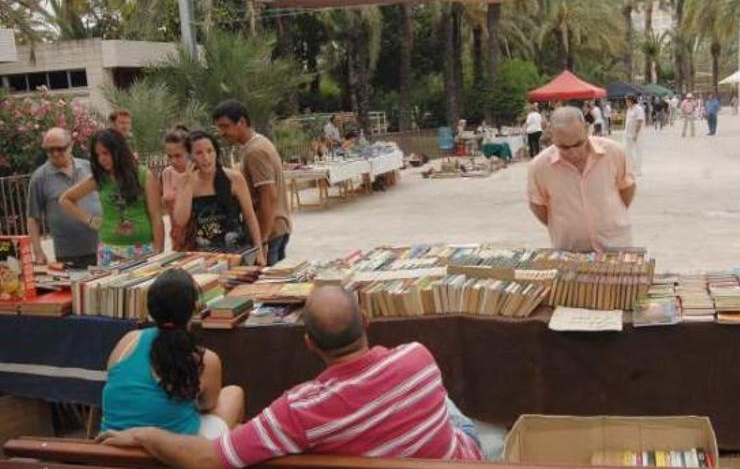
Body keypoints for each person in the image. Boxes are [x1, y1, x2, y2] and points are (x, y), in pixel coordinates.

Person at [99, 285, 483, 466]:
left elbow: (210, 458)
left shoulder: (298, 409)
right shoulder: (418, 356)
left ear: (309, 344)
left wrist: (146, 434)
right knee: (445, 405)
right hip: (457, 459)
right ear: (366, 321)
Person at [101, 269, 244, 438]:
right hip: (172, 447)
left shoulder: (127, 341)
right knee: (234, 394)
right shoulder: (204, 358)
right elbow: (208, 405)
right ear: (193, 310)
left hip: (113, 442)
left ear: (151, 309)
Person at [527, 106, 636, 253]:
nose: (573, 152)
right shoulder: (539, 166)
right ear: (551, 135)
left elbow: (627, 189)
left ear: (586, 129)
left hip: (616, 245)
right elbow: (538, 206)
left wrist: (607, 216)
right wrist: (567, 225)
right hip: (570, 251)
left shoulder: (613, 152)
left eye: (579, 143)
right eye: (564, 147)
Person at [60, 129, 163, 266]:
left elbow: (156, 217)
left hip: (144, 249)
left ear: (118, 150)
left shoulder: (144, 175)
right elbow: (65, 199)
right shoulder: (99, 179)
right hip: (109, 251)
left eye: (106, 153)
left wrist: (159, 253)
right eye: (97, 155)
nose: (101, 159)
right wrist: (89, 220)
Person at [212, 100, 291, 266]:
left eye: (225, 126)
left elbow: (268, 196)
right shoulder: (256, 144)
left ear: (241, 122)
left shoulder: (255, 151)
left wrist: (261, 241)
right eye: (219, 127)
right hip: (276, 228)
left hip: (270, 232)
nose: (221, 132)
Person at [172, 131, 265, 265]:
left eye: (210, 151)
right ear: (190, 157)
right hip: (206, 256)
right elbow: (180, 220)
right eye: (199, 153)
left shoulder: (234, 178)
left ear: (216, 153)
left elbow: (250, 217)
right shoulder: (185, 181)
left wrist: (259, 252)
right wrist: (187, 183)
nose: (206, 157)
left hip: (238, 252)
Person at [27, 128, 101, 268]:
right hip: (69, 253)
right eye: (50, 150)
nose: (55, 154)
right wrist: (38, 251)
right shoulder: (39, 178)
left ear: (71, 145)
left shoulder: (89, 167)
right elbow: (33, 219)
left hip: (102, 246)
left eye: (60, 149)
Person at [161, 128, 190, 251]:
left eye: (178, 156)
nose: (173, 160)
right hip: (176, 237)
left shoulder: (196, 174)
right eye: (170, 156)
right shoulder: (167, 173)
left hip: (195, 237)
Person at [623, 95, 646, 176]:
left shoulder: (638, 109)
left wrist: (636, 134)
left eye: (627, 101)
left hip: (637, 134)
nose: (626, 102)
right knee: (627, 151)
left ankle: (638, 170)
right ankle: (632, 167)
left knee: (638, 151)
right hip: (628, 133)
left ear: (631, 101)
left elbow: (639, 122)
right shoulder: (629, 109)